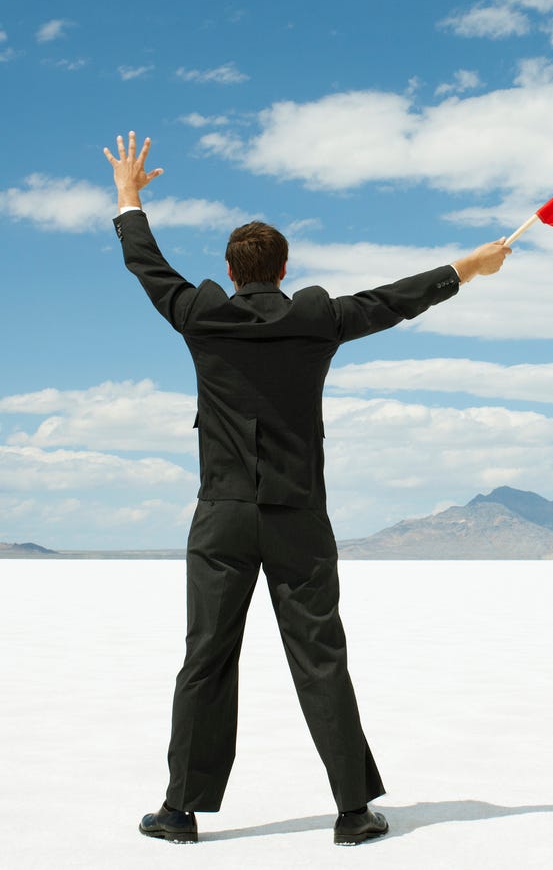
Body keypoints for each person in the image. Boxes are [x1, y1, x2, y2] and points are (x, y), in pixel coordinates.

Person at [104, 131, 510, 846]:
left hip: (223, 518)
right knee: (321, 657)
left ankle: (180, 810)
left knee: (206, 658)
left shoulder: (202, 315)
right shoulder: (316, 318)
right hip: (299, 519)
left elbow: (148, 266)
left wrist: (130, 197)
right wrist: (467, 269)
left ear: (230, 272)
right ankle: (353, 812)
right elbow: (393, 301)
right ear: (284, 269)